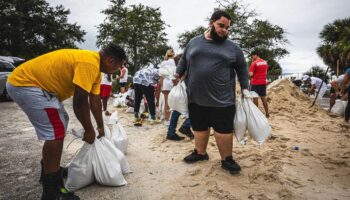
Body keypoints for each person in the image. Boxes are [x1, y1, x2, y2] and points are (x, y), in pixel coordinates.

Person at [6, 43, 126, 200]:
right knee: (56, 129)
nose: (119, 70)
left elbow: (94, 101)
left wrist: (100, 127)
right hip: (26, 84)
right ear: (110, 60)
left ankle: (51, 170)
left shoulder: (95, 69)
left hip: (37, 87)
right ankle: (52, 192)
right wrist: (89, 130)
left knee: (61, 122)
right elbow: (80, 102)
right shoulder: (89, 63)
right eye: (119, 65)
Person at [174, 10, 249, 174]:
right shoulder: (194, 42)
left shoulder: (233, 48)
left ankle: (227, 159)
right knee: (199, 127)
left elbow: (242, 68)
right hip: (196, 97)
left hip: (222, 99)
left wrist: (245, 87)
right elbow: (184, 60)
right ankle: (200, 153)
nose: (224, 30)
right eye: (221, 25)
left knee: (223, 130)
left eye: (227, 27)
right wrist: (177, 74)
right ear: (211, 23)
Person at [166, 54, 194, 141]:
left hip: (176, 95)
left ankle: (170, 133)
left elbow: (174, 81)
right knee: (195, 111)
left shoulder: (176, 71)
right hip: (186, 93)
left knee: (176, 111)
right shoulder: (188, 69)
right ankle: (185, 126)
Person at [159, 49, 177, 126]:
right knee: (173, 102)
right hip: (172, 83)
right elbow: (175, 74)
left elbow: (161, 76)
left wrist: (161, 86)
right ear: (173, 54)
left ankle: (167, 120)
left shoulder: (163, 63)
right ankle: (172, 119)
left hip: (165, 84)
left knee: (166, 102)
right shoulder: (175, 62)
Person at [249, 50, 269, 118]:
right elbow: (265, 71)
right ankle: (267, 113)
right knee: (264, 98)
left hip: (255, 83)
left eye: (252, 56)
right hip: (263, 82)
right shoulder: (265, 62)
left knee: (255, 98)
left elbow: (251, 74)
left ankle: (256, 115)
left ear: (255, 55)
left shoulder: (254, 63)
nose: (252, 57)